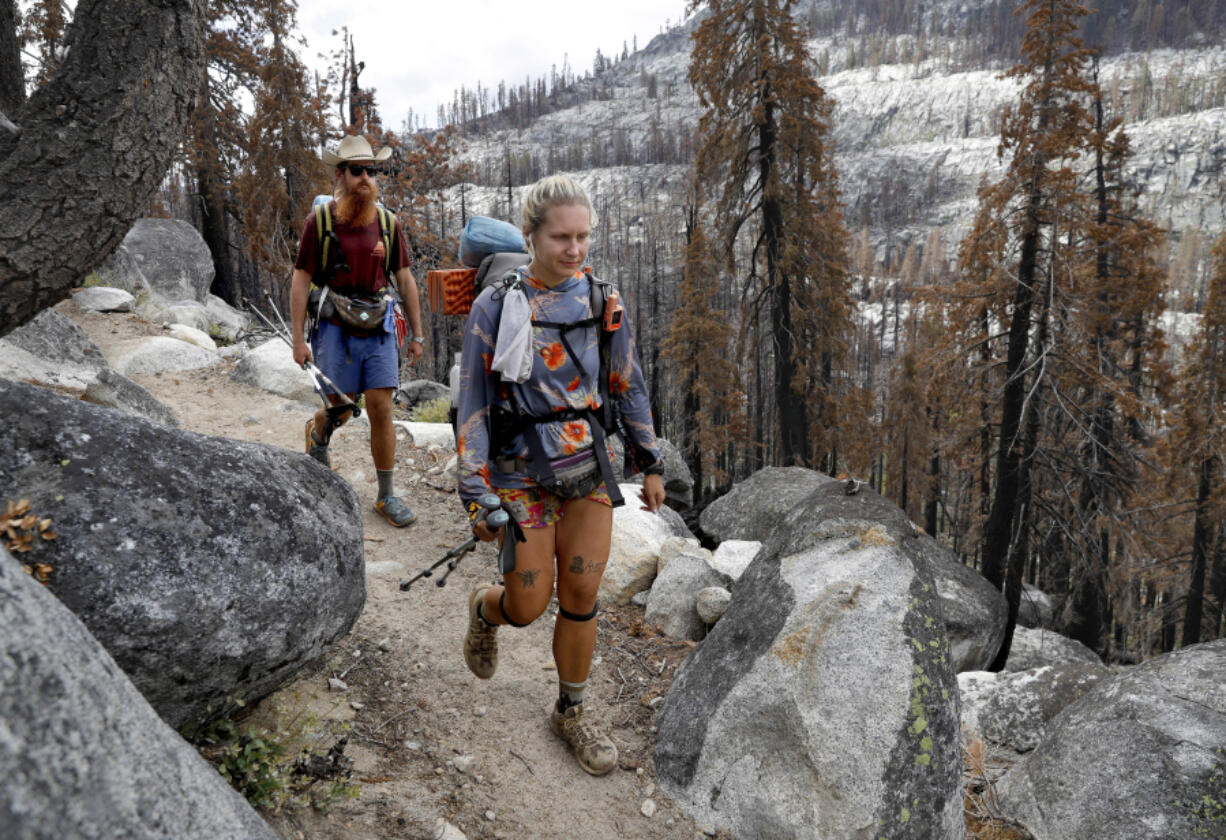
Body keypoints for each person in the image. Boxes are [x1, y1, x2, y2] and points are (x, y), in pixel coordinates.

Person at [454, 174, 665, 776]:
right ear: (531, 236)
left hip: (587, 465)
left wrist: (649, 461)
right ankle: (486, 611)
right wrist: (475, 490)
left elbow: (627, 383)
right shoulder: (496, 306)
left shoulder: (604, 301)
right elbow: (472, 400)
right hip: (519, 470)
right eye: (561, 238)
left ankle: (571, 710)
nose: (574, 250)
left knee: (580, 596)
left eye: (584, 237)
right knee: (527, 603)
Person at [290, 134, 425, 528]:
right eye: (356, 170)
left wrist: (416, 334)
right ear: (340, 175)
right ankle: (319, 432)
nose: (366, 177)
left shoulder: (388, 223)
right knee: (342, 407)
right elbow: (301, 279)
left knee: (382, 407)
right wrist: (299, 340)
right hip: (335, 323)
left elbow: (404, 277)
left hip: (379, 322)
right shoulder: (322, 221)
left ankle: (386, 496)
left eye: (372, 170)